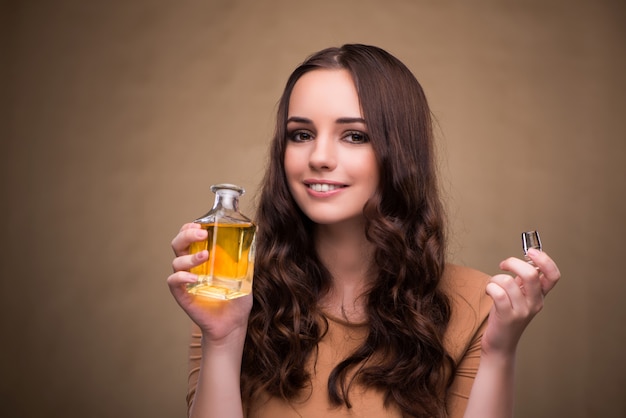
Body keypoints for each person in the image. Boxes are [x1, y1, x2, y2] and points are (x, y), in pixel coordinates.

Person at [168, 44, 561, 418]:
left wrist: (500, 352)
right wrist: (223, 338)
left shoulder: (477, 305)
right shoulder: (229, 291)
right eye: (301, 135)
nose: (319, 158)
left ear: (400, 153)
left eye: (354, 135)